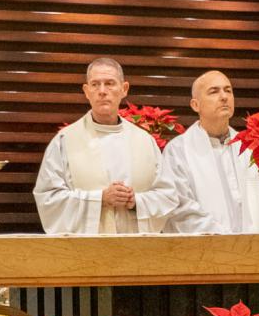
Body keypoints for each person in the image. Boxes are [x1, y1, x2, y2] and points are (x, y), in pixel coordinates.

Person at [34, 58, 171, 234]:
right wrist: (100, 199)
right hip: (86, 251)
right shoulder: (65, 141)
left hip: (135, 249)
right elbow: (48, 198)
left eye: (110, 83)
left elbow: (167, 194)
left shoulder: (145, 141)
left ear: (124, 89)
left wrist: (135, 201)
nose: (102, 91)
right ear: (86, 91)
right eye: (95, 84)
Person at [157, 70, 257, 233]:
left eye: (228, 90)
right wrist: (225, 239)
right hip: (203, 248)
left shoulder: (249, 147)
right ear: (195, 105)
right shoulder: (178, 150)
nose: (224, 96)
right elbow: (180, 207)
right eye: (214, 91)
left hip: (254, 247)